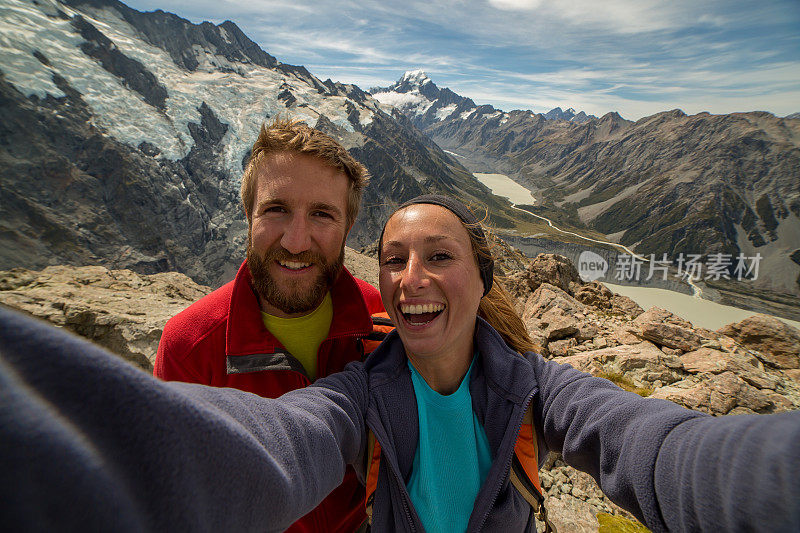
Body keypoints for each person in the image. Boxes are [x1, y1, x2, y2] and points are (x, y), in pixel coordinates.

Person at [2, 196, 799, 532]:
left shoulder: (537, 386)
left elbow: (659, 450)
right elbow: (277, 443)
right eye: (393, 259)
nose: (411, 277)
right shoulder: (359, 392)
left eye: (439, 256)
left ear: (481, 276)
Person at [153, 117, 384, 532]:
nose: (296, 241)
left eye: (322, 215)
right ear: (248, 214)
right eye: (277, 209)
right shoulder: (190, 346)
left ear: (348, 227)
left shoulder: (383, 317)